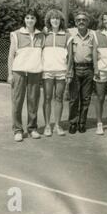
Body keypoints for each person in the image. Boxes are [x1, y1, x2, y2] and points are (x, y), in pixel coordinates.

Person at [8, 9, 45, 142]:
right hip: (19, 72)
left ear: (36, 20)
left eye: (32, 18)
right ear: (24, 19)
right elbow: (11, 55)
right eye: (27, 17)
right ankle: (17, 130)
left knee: (33, 102)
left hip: (35, 73)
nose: (30, 20)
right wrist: (10, 74)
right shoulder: (16, 34)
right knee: (17, 102)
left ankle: (32, 128)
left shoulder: (41, 35)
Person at [41, 9, 72, 137]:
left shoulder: (67, 35)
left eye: (57, 18)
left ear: (61, 21)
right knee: (47, 98)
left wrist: (69, 72)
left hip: (61, 71)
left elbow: (70, 56)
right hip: (47, 71)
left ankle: (57, 125)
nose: (55, 20)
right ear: (49, 20)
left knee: (59, 98)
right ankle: (48, 125)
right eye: (53, 18)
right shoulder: (44, 34)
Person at [67, 11, 94, 134]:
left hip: (88, 70)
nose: (81, 22)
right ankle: (73, 123)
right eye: (78, 20)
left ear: (88, 22)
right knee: (74, 98)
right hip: (75, 69)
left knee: (86, 98)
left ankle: (82, 123)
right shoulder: (70, 34)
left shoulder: (93, 35)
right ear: (75, 22)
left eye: (84, 20)